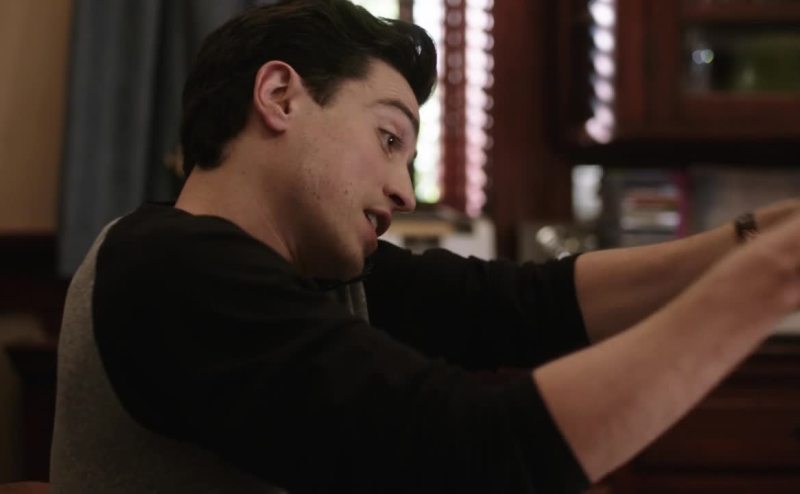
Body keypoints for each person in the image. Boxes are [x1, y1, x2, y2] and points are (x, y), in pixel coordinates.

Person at [49, 0, 800, 492]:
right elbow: (476, 453)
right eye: (388, 139)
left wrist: (748, 240)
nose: (404, 191)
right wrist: (769, 279)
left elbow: (525, 306)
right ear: (279, 97)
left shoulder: (307, 270)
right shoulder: (175, 270)